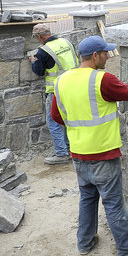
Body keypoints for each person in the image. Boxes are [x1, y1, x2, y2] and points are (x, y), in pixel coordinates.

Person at [51, 36, 128, 256]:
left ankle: (85, 243)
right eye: (105, 54)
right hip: (103, 153)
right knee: (114, 204)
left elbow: (56, 116)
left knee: (87, 198)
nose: (108, 58)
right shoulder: (101, 80)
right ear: (95, 56)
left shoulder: (62, 81)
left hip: (79, 154)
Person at [29, 23, 80, 165]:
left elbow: (39, 71)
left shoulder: (43, 51)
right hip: (75, 86)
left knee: (53, 121)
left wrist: (33, 61)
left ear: (39, 37)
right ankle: (70, 148)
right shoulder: (67, 42)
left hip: (56, 91)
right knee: (68, 119)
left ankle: (61, 153)